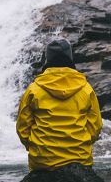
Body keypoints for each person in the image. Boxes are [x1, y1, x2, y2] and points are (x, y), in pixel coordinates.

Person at [15, 38, 103, 170]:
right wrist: (81, 145)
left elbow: (22, 128)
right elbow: (95, 127)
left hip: (42, 162)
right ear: (70, 57)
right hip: (80, 160)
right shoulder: (86, 88)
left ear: (47, 59)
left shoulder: (34, 89)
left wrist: (34, 147)